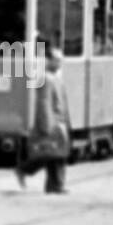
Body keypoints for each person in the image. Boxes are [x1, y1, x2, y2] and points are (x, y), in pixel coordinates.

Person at [15, 47, 71, 194]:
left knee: (57, 155)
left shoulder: (55, 77)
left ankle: (54, 185)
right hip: (52, 123)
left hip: (59, 121)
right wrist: (47, 124)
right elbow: (44, 103)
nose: (59, 63)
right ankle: (25, 170)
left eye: (60, 60)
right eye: (57, 60)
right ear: (49, 60)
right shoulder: (46, 78)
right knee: (50, 154)